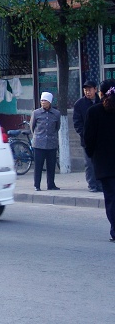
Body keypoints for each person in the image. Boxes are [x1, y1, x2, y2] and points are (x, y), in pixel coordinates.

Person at [83, 79, 115, 243]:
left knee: (111, 198)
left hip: (104, 164)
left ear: (100, 93)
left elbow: (88, 139)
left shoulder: (94, 111)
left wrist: (92, 155)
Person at [73, 80, 102, 193]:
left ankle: (100, 184)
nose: (87, 92)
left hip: (101, 140)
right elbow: (77, 123)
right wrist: (85, 134)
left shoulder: (102, 102)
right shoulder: (79, 104)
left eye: (89, 89)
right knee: (89, 164)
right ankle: (92, 184)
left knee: (100, 163)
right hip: (87, 140)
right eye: (85, 90)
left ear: (95, 89)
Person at [30, 92, 61, 191]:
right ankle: (37, 185)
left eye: (45, 101)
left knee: (51, 165)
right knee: (38, 166)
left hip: (51, 143)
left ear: (50, 102)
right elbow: (32, 127)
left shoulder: (56, 114)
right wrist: (38, 136)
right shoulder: (36, 113)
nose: (43, 102)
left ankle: (51, 184)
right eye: (42, 100)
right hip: (39, 144)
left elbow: (57, 127)